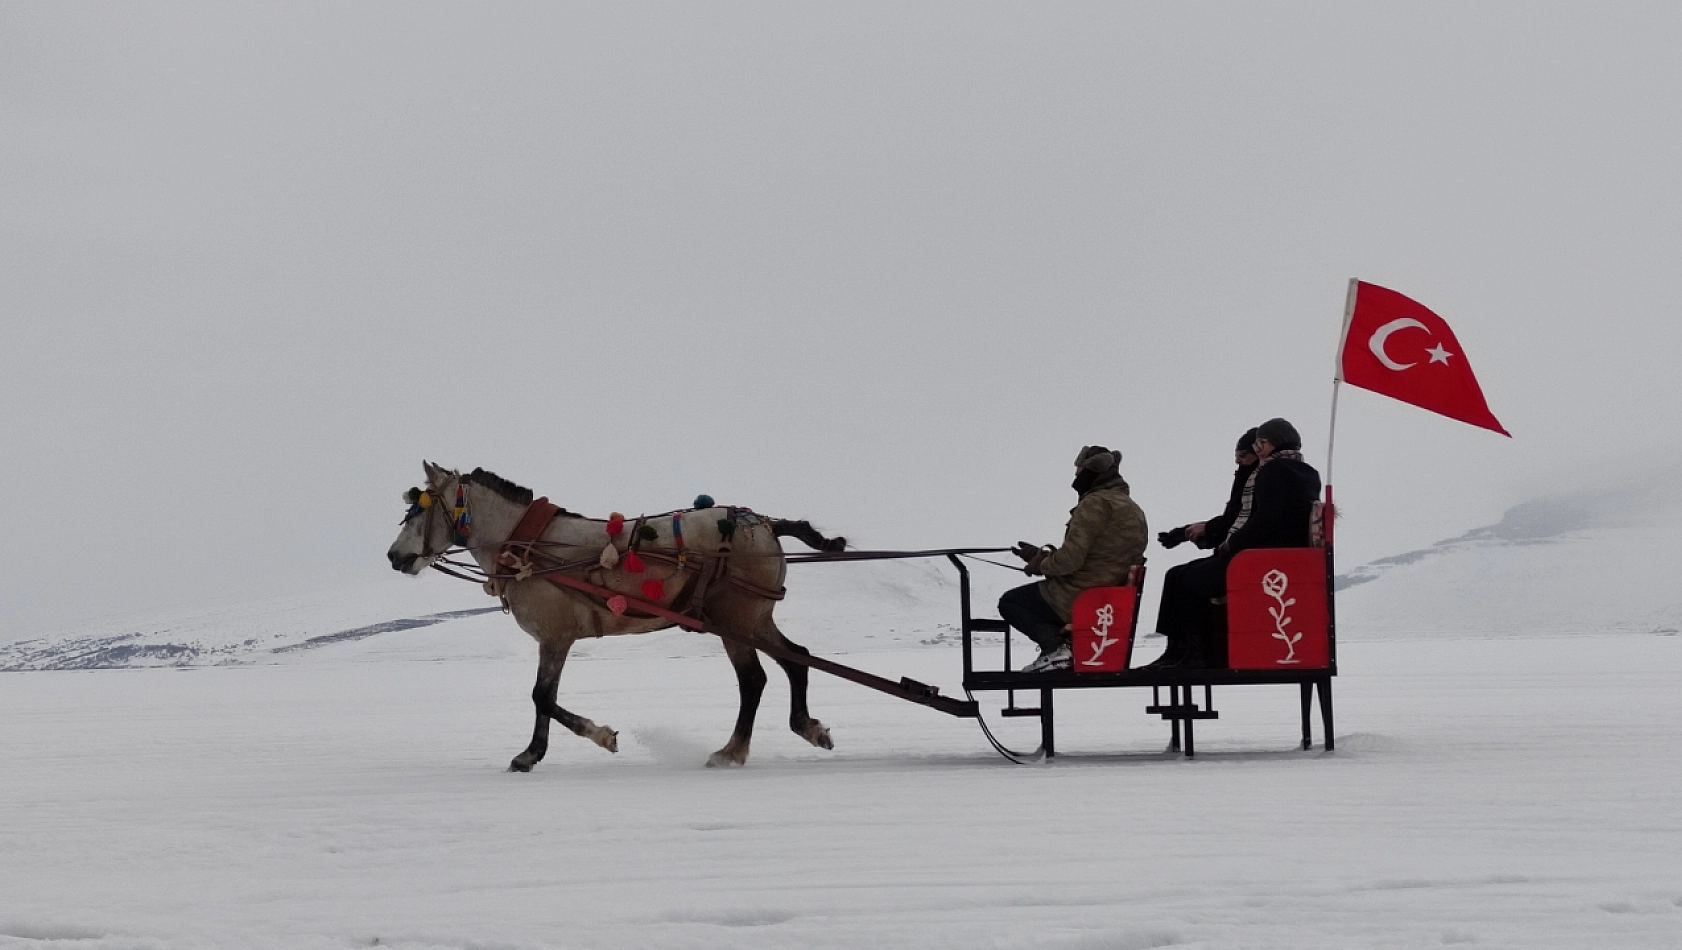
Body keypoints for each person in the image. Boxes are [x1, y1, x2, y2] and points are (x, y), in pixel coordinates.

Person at [1151, 418, 1321, 669]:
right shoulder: (1305, 472)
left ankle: (1194, 653)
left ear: (1268, 444)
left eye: (1259, 444)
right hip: (1277, 558)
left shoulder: (1272, 471)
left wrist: (1232, 545)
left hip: (1263, 562)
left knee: (1189, 579)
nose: (1258, 449)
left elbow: (1265, 519)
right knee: (1180, 575)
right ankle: (1180, 651)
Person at [1000, 445, 1148, 673]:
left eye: (1078, 470)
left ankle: (1056, 650)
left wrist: (1041, 565)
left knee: (1011, 601)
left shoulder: (1094, 504)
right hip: (1106, 593)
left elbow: (1070, 561)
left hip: (1082, 594)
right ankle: (1062, 649)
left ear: (1091, 471)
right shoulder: (1132, 508)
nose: (1075, 476)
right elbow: (1099, 556)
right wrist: (1040, 557)